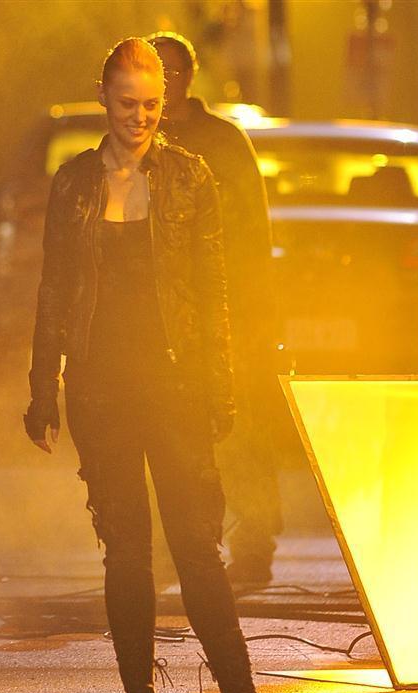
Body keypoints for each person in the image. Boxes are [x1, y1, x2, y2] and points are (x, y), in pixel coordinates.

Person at [24, 37, 295, 693]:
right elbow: (53, 290)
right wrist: (42, 389)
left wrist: (222, 386)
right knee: (126, 554)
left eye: (150, 105)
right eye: (126, 104)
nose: (139, 117)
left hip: (175, 386)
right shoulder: (73, 183)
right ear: (103, 99)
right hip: (101, 388)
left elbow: (213, 292)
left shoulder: (189, 177)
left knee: (198, 550)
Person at [147, 31, 284, 583]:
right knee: (165, 432)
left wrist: (258, 311)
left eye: (172, 71)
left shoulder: (224, 142)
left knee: (241, 427)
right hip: (158, 315)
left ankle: (254, 543)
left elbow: (254, 229)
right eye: (153, 70)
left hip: (226, 310)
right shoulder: (133, 141)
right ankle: (171, 546)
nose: (164, 81)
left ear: (189, 76)